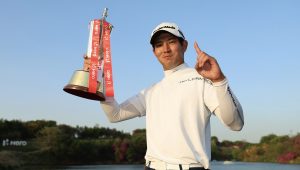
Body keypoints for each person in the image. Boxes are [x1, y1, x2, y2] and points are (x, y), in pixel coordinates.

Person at [100, 22, 244, 170]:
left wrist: (219, 80)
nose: (166, 49)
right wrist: (98, 80)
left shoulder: (202, 80)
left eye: (172, 42)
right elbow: (115, 114)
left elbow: (236, 124)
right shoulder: (150, 92)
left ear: (184, 45)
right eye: (159, 44)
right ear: (154, 52)